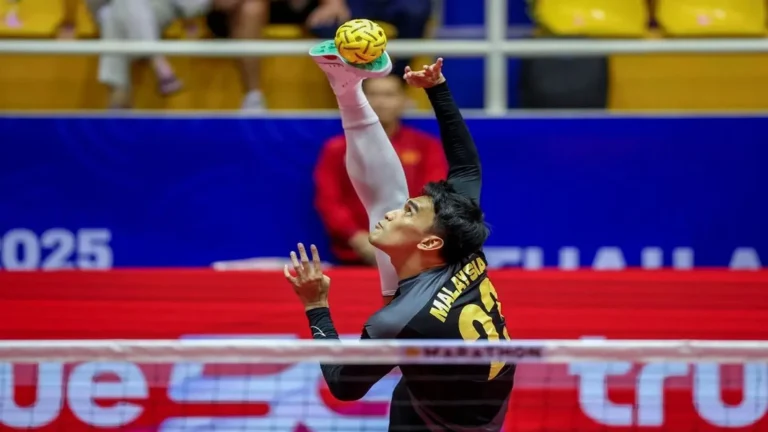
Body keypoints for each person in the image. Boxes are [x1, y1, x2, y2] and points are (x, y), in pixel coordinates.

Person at [283, 40, 514, 432]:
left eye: (409, 212)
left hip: (447, 423)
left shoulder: (398, 320)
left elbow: (343, 386)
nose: (395, 211)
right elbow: (466, 169)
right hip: (445, 385)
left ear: (429, 242)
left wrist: (316, 305)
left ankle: (347, 90)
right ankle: (347, 89)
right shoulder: (461, 242)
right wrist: (438, 89)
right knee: (386, 200)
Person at [314, 75, 447, 266]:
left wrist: (403, 238)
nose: (380, 102)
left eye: (389, 95)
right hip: (355, 256)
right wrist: (357, 238)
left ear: (404, 101)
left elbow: (434, 197)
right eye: (373, 94)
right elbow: (329, 200)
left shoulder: (426, 147)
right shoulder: (337, 148)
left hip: (413, 253)